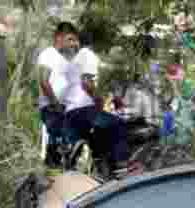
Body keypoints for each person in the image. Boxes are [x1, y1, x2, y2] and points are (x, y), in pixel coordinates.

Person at [62, 38, 133, 178]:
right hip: (85, 109)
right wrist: (98, 99)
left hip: (69, 113)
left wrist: (114, 101)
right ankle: (122, 167)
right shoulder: (88, 55)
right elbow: (86, 83)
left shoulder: (72, 61)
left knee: (94, 140)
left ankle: (99, 171)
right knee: (118, 125)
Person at [37, 22, 79, 166]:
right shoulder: (48, 54)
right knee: (64, 140)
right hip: (51, 108)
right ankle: (53, 167)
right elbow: (43, 81)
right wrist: (55, 104)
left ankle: (60, 167)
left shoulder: (65, 59)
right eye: (70, 39)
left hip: (64, 108)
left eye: (74, 40)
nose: (73, 43)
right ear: (58, 38)